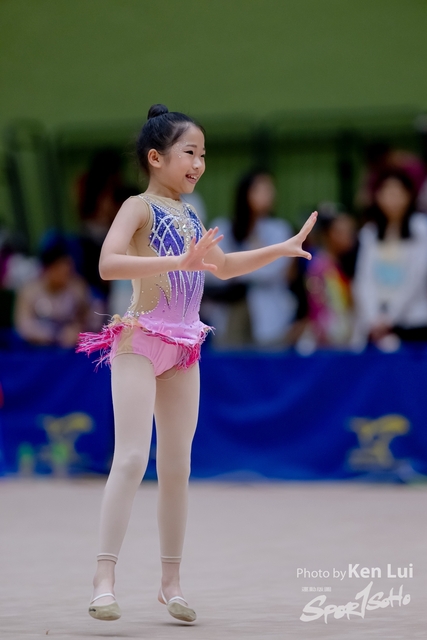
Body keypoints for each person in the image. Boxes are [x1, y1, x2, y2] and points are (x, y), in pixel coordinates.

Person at [77, 104, 317, 624]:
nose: (199, 164)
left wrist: (280, 248)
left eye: (203, 155)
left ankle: (171, 584)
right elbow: (108, 263)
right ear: (156, 157)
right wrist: (178, 261)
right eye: (190, 153)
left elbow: (223, 267)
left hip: (184, 346)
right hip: (140, 338)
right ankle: (104, 579)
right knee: (131, 457)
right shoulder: (137, 207)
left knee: (177, 467)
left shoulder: (190, 214)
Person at [204, 170, 295, 346]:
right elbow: (211, 267)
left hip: (268, 312)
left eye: (270, 190)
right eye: (261, 189)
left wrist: (231, 268)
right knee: (229, 356)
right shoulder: (224, 227)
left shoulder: (279, 229)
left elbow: (273, 269)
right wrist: (242, 265)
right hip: (230, 309)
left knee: (268, 355)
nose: (268, 195)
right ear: (245, 192)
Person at [352, 168, 427, 349]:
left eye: (398, 194)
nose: (393, 200)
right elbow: (364, 279)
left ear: (409, 196)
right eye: (387, 194)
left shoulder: (421, 229)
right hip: (376, 323)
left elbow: (415, 278)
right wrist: (373, 318)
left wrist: (390, 318)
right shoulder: (369, 233)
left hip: (413, 321)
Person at [15, 238, 94, 347]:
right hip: (36, 348)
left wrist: (79, 330)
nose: (66, 273)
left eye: (68, 269)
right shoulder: (29, 291)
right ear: (49, 269)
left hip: (71, 348)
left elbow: (90, 319)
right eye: (60, 269)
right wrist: (54, 335)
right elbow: (23, 325)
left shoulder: (78, 288)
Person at [303, 205, 356, 348]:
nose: (348, 237)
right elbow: (318, 307)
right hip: (328, 340)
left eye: (350, 231)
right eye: (341, 232)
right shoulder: (319, 266)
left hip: (342, 336)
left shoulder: (340, 264)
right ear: (328, 234)